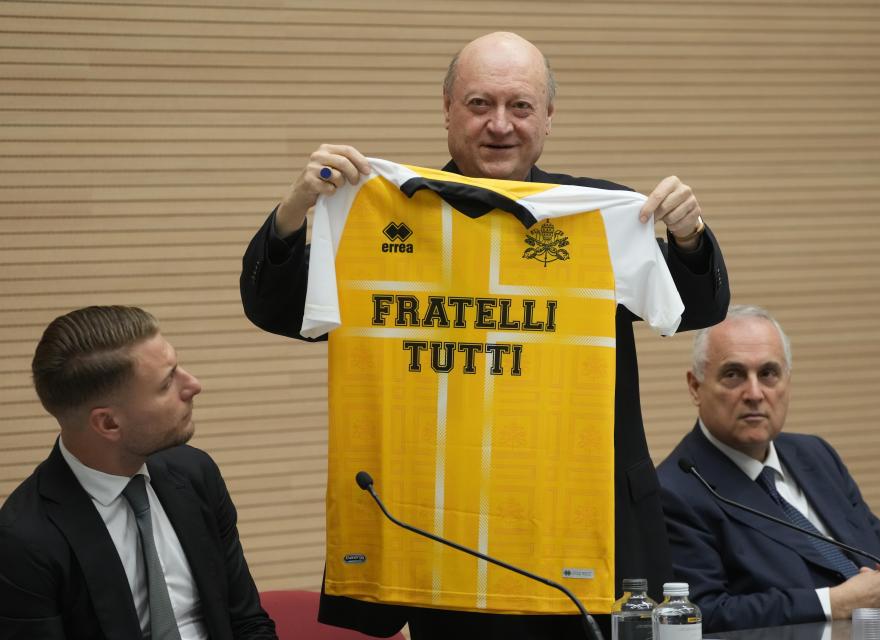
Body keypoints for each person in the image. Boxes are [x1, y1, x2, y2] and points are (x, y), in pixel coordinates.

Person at [240, 31, 730, 639]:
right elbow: (273, 308)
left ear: (548, 118)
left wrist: (688, 236)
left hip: (581, 525)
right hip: (444, 533)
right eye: (479, 104)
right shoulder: (385, 216)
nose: (500, 124)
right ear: (446, 109)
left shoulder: (598, 217)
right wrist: (297, 209)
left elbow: (696, 310)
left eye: (520, 106)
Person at [656, 304, 880, 633]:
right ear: (696, 387)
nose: (754, 393)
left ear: (787, 382)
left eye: (768, 374)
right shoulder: (674, 490)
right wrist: (835, 602)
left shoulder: (816, 455)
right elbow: (701, 612)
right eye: (733, 374)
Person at [0, 306, 277, 640]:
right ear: (109, 423)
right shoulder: (24, 541)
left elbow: (247, 623)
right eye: (165, 385)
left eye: (178, 367)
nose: (193, 385)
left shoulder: (194, 474)